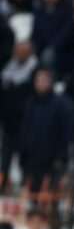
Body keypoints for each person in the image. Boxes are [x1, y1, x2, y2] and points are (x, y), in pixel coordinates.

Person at [20, 67, 74, 192]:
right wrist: (23, 153)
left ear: (51, 82)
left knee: (51, 193)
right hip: (33, 159)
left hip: (52, 159)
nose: (41, 84)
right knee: (32, 193)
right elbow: (24, 130)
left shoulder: (61, 104)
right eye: (38, 80)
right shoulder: (30, 103)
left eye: (44, 80)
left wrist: (61, 156)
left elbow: (66, 132)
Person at [1, 40, 38, 191]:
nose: (22, 53)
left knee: (26, 159)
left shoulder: (36, 71)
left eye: (25, 50)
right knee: (5, 158)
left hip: (28, 125)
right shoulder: (6, 69)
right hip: (9, 125)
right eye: (19, 50)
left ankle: (26, 188)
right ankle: (3, 186)